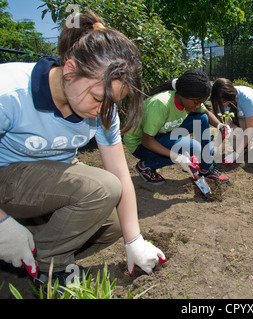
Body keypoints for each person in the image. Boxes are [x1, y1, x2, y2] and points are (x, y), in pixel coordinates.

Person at [0, 12, 165, 286]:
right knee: (101, 189)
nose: (102, 111)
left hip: (42, 185)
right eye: (98, 98)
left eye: (111, 103)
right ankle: (51, 270)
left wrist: (133, 240)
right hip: (5, 177)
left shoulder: (103, 110)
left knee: (111, 225)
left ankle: (27, 259)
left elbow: (120, 173)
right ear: (69, 70)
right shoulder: (9, 91)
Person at [123, 70, 229, 185]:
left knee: (202, 118)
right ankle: (146, 166)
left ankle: (206, 168)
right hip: (141, 144)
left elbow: (207, 112)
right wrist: (178, 158)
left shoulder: (189, 99)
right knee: (192, 147)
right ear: (183, 94)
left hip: (160, 134)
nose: (198, 106)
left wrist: (220, 126)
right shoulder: (160, 105)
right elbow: (146, 141)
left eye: (201, 102)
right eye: (196, 102)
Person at [210, 78, 253, 173]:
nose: (222, 104)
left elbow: (251, 128)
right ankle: (245, 147)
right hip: (243, 122)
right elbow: (224, 127)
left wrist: (236, 153)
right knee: (231, 131)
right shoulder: (223, 99)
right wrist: (215, 147)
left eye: (223, 101)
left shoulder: (246, 97)